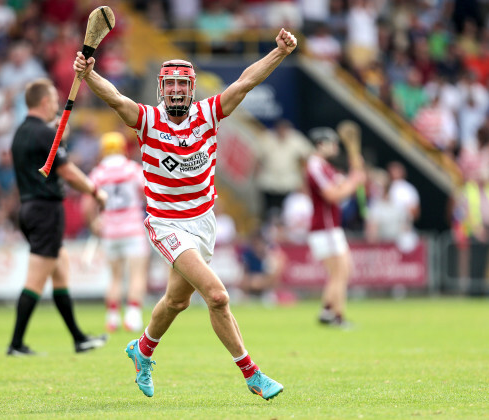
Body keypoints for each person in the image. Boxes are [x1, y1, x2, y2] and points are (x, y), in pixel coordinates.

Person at [73, 28, 298, 400]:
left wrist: (279, 53)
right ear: (161, 89)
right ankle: (252, 375)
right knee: (218, 296)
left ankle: (142, 350)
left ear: (191, 88)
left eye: (182, 85)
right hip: (166, 224)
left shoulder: (209, 114)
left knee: (177, 301)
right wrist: (88, 74)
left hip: (203, 222)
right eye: (170, 85)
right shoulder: (146, 120)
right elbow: (114, 97)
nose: (176, 90)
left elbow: (244, 82)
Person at [7, 78, 108, 356]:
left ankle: (78, 338)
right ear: (43, 102)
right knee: (36, 279)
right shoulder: (44, 134)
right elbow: (67, 171)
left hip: (28, 208)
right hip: (45, 211)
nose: (56, 104)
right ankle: (16, 344)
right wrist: (95, 191)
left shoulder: (20, 133)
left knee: (60, 271)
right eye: (53, 99)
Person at [88, 131, 149, 333]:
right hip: (133, 229)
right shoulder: (132, 170)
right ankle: (133, 317)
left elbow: (87, 203)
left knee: (114, 277)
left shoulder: (98, 173)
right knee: (136, 275)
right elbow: (148, 192)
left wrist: (94, 221)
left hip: (110, 231)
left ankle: (112, 317)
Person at [305, 127, 365, 327]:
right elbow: (333, 195)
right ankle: (337, 316)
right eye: (332, 143)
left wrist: (354, 174)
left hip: (330, 228)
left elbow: (343, 186)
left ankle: (327, 311)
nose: (336, 146)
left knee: (342, 271)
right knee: (340, 272)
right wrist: (354, 181)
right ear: (320, 145)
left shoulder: (325, 167)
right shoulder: (315, 166)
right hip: (325, 228)